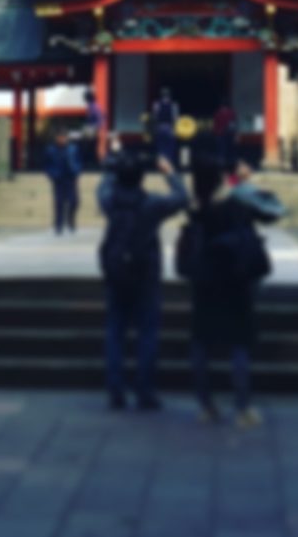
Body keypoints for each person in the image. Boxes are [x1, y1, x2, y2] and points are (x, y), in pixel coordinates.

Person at [177, 158, 271, 427]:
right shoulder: (236, 206)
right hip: (235, 280)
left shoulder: (196, 211)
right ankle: (242, 409)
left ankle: (206, 406)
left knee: (201, 345)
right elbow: (269, 209)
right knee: (239, 345)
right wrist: (241, 182)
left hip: (205, 283)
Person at [97, 152, 187, 411]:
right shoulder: (152, 204)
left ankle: (115, 389)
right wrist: (169, 172)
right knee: (147, 332)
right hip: (146, 270)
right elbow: (182, 198)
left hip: (115, 270)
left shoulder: (109, 201)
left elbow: (103, 186)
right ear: (141, 178)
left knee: (115, 330)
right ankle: (145, 389)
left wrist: (111, 167)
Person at [44, 125, 82, 236]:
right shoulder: (50, 150)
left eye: (64, 137)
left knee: (74, 201)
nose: (62, 139)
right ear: (56, 138)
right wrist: (52, 175)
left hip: (71, 177)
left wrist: (77, 172)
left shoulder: (73, 148)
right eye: (60, 137)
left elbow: (79, 161)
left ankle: (70, 220)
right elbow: (46, 165)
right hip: (58, 178)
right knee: (59, 203)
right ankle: (58, 225)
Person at [151, 89, 180, 171]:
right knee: (170, 147)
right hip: (169, 127)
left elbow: (155, 117)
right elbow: (175, 118)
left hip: (160, 127)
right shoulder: (174, 105)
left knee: (161, 147)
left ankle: (161, 165)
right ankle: (169, 165)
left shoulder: (156, 104)